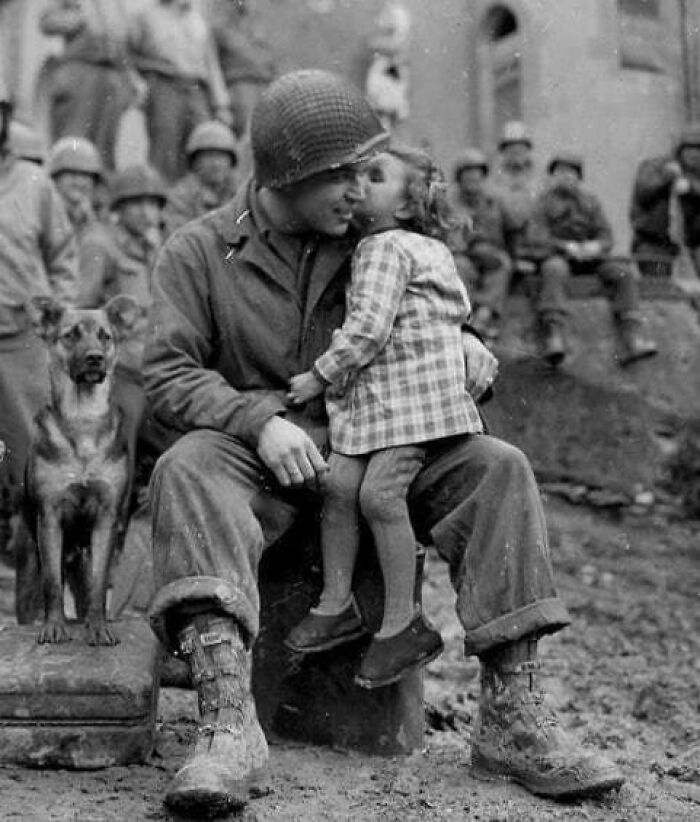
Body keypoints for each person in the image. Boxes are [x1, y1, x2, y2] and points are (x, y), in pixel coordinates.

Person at [143, 69, 623, 816]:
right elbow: (168, 372)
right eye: (343, 175)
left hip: (379, 445)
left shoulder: (371, 237)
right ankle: (227, 725)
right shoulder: (199, 251)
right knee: (186, 468)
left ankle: (513, 718)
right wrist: (256, 422)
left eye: (367, 174)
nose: (359, 190)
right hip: (261, 459)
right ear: (286, 177)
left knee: (496, 468)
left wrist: (464, 341)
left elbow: (428, 300)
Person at [283, 145, 481, 688]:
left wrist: (318, 376)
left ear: (407, 204)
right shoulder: (416, 247)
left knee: (378, 496)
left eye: (374, 177)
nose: (359, 186)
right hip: (382, 405)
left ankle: (402, 624)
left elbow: (368, 329)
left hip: (412, 405)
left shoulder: (386, 247)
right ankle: (335, 603)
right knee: (339, 484)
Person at [0, 93, 79, 550]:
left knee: (31, 454)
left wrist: (57, 316)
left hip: (22, 341)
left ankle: (34, 561)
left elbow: (63, 255)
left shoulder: (34, 183)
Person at [526, 152, 658, 366]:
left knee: (623, 272)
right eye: (560, 172)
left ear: (579, 177)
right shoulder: (542, 202)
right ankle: (554, 335)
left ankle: (632, 336)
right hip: (558, 256)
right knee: (554, 269)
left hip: (589, 258)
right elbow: (536, 237)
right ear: (552, 176)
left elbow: (606, 235)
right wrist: (565, 246)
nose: (566, 177)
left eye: (571, 172)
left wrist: (595, 246)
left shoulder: (590, 202)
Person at [79, 164, 166, 464]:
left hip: (153, 366)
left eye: (153, 204)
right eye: (137, 203)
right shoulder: (99, 244)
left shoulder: (152, 244)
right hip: (119, 372)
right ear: (119, 207)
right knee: (118, 454)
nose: (147, 213)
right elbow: (83, 309)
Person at [129, 0, 232, 182]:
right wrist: (139, 84)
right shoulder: (146, 16)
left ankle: (199, 196)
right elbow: (127, 56)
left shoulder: (197, 18)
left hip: (196, 89)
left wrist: (221, 104)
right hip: (164, 85)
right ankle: (163, 193)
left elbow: (211, 63)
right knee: (165, 145)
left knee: (203, 142)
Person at [39, 0, 144, 169]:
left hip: (110, 75)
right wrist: (75, 17)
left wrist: (131, 77)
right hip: (80, 70)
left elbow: (123, 41)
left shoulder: (116, 6)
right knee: (74, 140)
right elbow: (47, 23)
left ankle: (101, 183)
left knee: (105, 146)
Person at [447, 147, 512, 340]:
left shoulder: (493, 201)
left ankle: (485, 314)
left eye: (477, 175)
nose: (473, 179)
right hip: (462, 254)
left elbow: (510, 228)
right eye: (467, 175)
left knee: (502, 265)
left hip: (490, 252)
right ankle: (465, 318)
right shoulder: (450, 202)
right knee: (460, 267)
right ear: (459, 178)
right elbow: (452, 238)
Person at [630, 123, 700, 278]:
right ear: (680, 149)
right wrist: (666, 177)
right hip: (654, 244)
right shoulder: (655, 166)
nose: (695, 154)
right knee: (659, 283)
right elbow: (643, 191)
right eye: (690, 148)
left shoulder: (694, 174)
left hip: (692, 243)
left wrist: (690, 188)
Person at [208, 0, 276, 138]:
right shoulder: (219, 27)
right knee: (247, 134)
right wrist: (221, 103)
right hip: (240, 86)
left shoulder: (256, 26)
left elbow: (269, 60)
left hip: (264, 85)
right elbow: (213, 67)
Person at [164, 120, 239, 235]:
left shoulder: (240, 191)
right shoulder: (181, 197)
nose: (216, 164)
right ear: (195, 161)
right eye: (209, 156)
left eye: (221, 157)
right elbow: (179, 236)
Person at [492, 120, 540, 265]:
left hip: (533, 240)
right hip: (502, 240)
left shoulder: (539, 178)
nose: (516, 153)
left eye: (521, 148)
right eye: (511, 149)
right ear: (503, 152)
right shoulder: (493, 178)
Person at [47, 136, 104, 242]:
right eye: (73, 174)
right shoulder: (44, 217)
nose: (80, 182)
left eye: (86, 175)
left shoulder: (92, 221)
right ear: (55, 178)